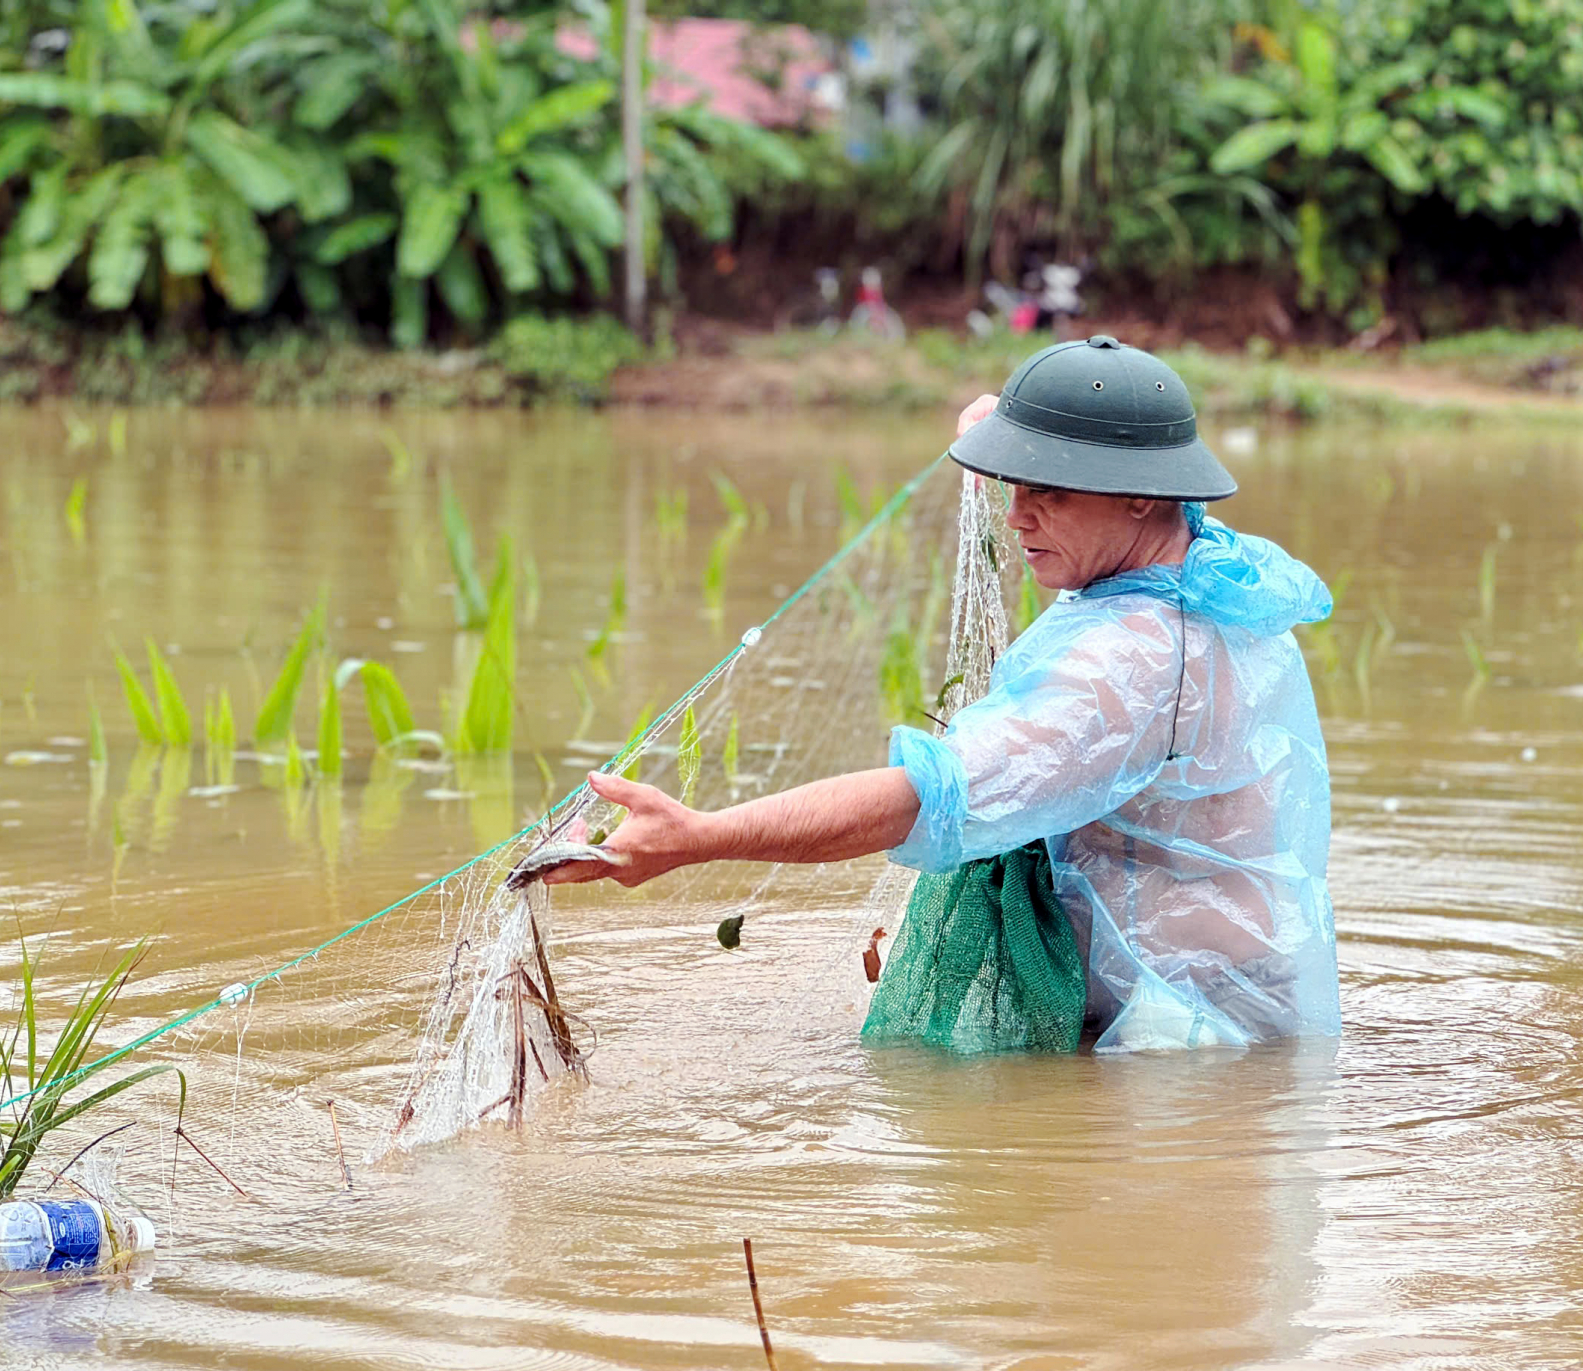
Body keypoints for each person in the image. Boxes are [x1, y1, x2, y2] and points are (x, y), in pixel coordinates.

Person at [545, 336, 1340, 1052]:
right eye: (1015, 481)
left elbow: (926, 798)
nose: (1018, 515)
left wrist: (701, 834)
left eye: (1051, 492)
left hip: (1186, 1034)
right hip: (1239, 985)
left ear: (1140, 495)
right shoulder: (1210, 569)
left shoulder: (1130, 664)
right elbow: (1115, 466)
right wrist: (1025, 426)